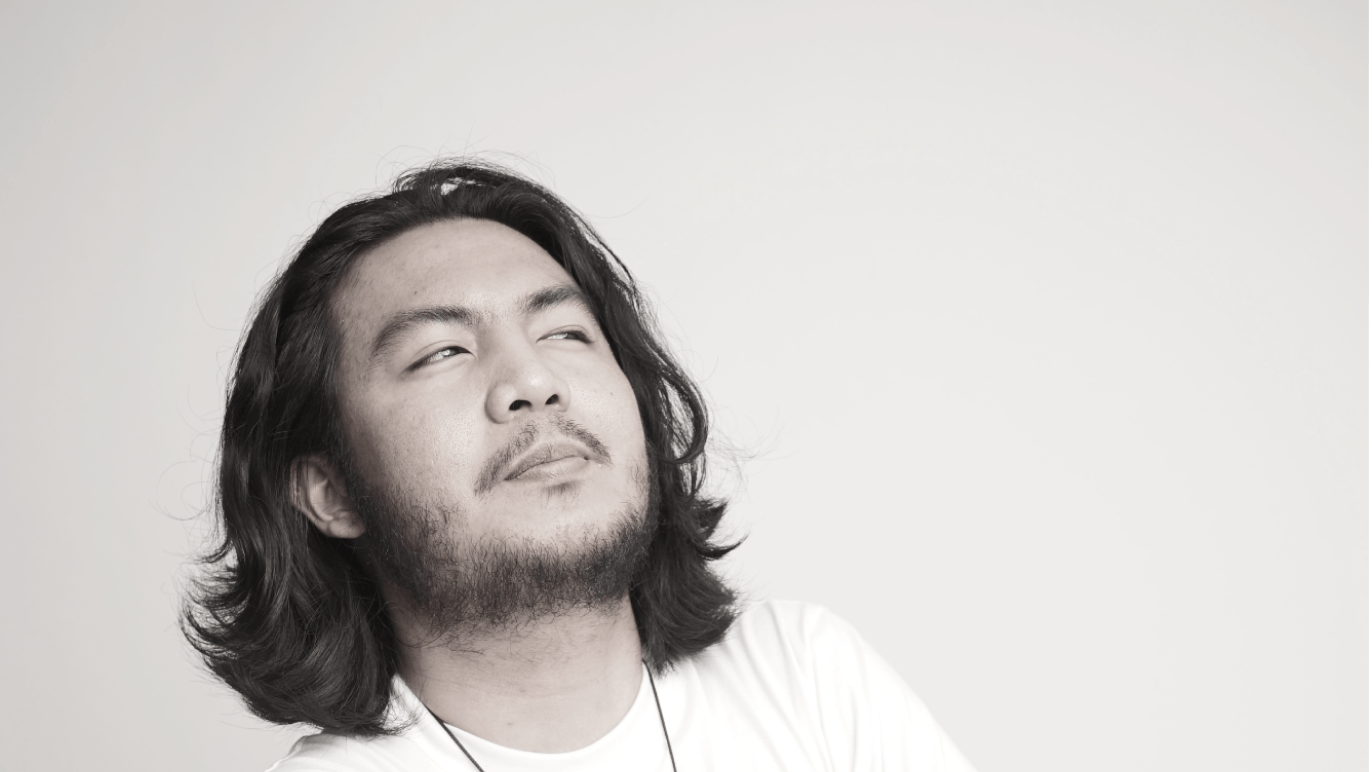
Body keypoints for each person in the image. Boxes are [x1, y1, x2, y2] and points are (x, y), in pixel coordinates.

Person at [185, 159, 977, 771]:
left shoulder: (801, 677)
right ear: (332, 492)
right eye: (442, 351)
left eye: (565, 333)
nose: (533, 381)